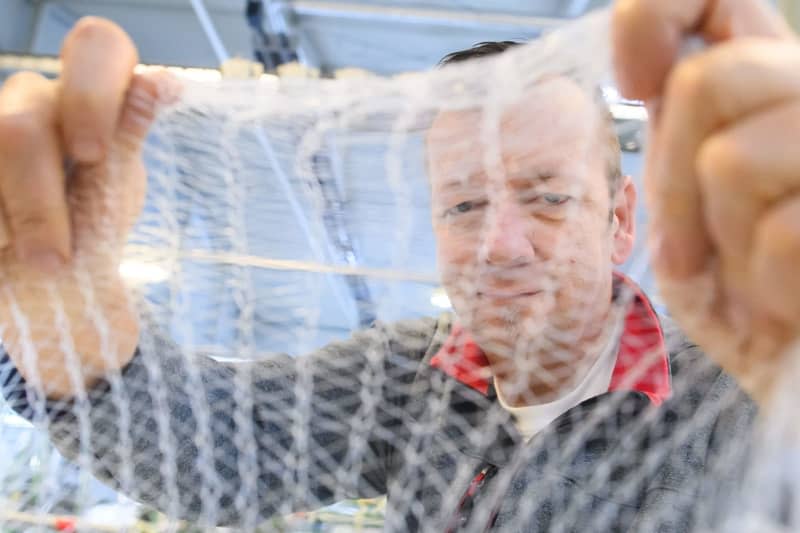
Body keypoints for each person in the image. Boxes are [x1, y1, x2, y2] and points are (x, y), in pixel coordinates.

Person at [0, 0, 798, 530]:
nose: (500, 245)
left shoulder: (738, 396)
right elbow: (220, 446)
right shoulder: (404, 375)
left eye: (547, 198)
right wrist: (67, 318)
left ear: (620, 219)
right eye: (463, 206)